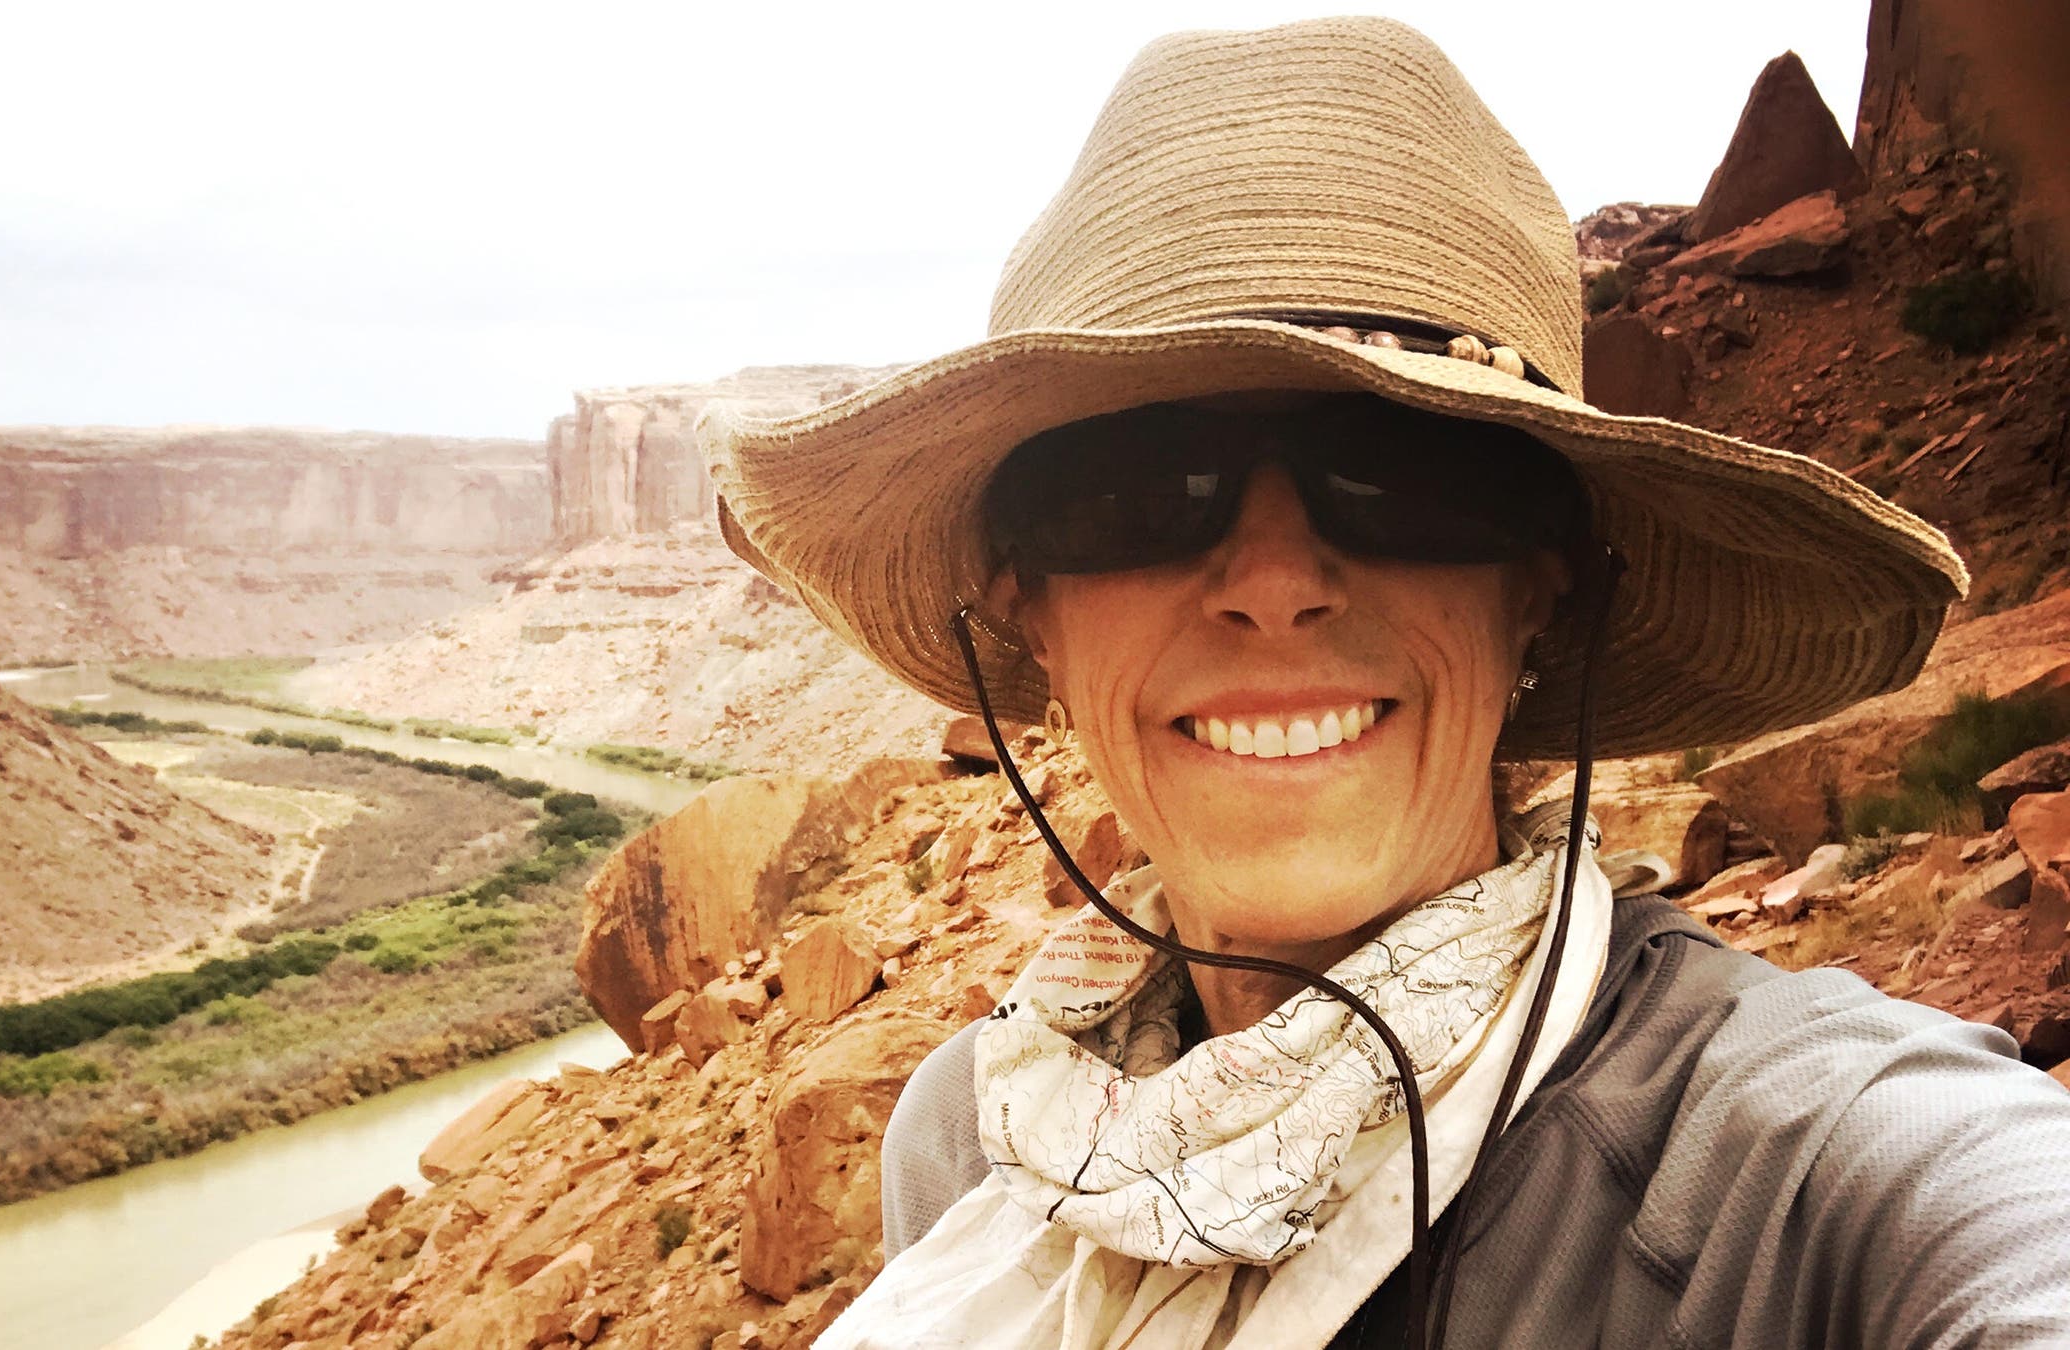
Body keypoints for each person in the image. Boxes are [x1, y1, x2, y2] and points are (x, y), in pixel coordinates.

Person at [704, 17, 2070, 1349]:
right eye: (1137, 487)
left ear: (1546, 582)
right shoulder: (974, 1138)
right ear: (1028, 611)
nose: (1274, 575)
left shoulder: (1805, 1171)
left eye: (1409, 467)